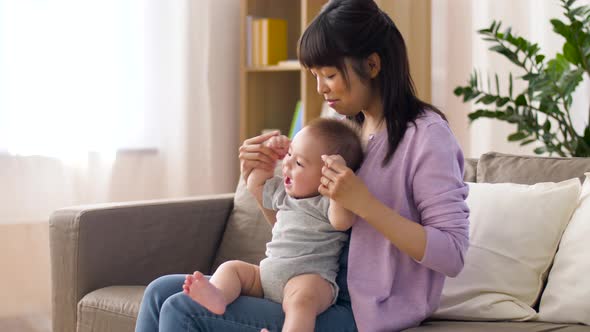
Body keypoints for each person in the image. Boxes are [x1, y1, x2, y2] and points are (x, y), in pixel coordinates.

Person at [135, 0, 469, 331]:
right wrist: (257, 182)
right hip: (305, 285)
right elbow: (305, 225)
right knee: (158, 292)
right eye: (315, 75)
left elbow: (452, 254)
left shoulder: (426, 137)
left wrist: (365, 204)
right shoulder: (344, 128)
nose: (320, 88)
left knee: (183, 310)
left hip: (361, 309)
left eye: (329, 75)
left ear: (372, 64)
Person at [181, 118, 363, 332]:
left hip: (308, 279)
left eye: (299, 163)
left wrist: (338, 182)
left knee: (301, 304)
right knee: (231, 268)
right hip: (267, 275)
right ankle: (218, 295)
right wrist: (271, 154)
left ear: (326, 175)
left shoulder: (326, 202)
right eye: (289, 155)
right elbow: (256, 183)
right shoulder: (284, 194)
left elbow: (342, 222)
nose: (286, 165)